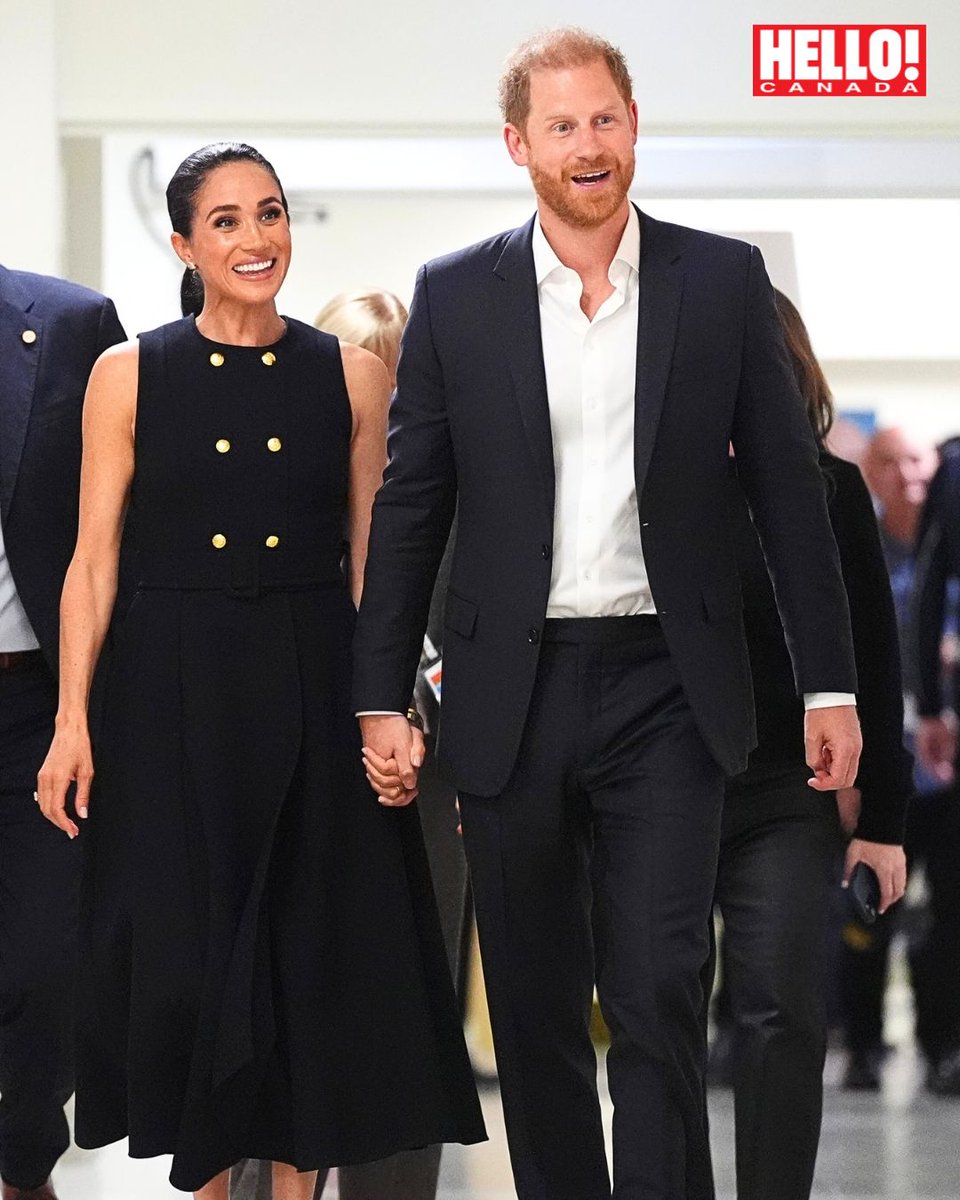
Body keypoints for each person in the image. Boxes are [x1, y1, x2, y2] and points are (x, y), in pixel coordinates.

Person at [352, 27, 861, 1200]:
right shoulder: (455, 296)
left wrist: (828, 686)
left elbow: (791, 498)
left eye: (607, 120)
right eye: (563, 125)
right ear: (518, 144)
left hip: (668, 687)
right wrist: (382, 695)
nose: (589, 146)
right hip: (507, 690)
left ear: (636, 127)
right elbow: (412, 507)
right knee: (531, 1006)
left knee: (657, 992)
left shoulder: (719, 281)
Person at [35, 142, 484, 1199]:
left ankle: (290, 1191)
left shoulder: (355, 374)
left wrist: (390, 711)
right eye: (226, 220)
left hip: (315, 683)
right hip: (169, 692)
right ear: (186, 244)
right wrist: (70, 720)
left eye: (270, 213)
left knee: (307, 962)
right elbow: (92, 561)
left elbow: (377, 565)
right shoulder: (127, 372)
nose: (255, 237)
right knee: (187, 963)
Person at [232, 287, 469, 1200]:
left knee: (411, 1015)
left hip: (432, 782)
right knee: (278, 1009)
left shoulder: (463, 500)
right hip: (293, 772)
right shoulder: (266, 504)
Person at [707, 291, 909, 1200]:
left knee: (783, 1012)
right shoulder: (649, 492)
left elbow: (877, 655)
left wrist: (885, 821)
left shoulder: (832, 491)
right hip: (655, 777)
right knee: (657, 1020)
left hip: (791, 790)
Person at [0, 265, 125, 1200]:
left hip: (40, 709)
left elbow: (123, 519)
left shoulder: (72, 324)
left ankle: (24, 1159)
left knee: (48, 965)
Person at [909, 435, 960, 1093]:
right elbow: (928, 583)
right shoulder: (954, 473)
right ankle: (946, 1041)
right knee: (952, 894)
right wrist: (928, 705)